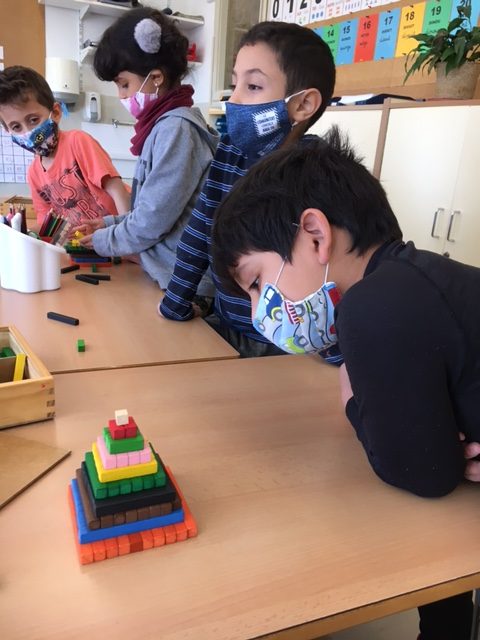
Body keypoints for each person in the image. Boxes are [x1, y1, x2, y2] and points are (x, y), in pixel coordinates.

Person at [211, 128, 479, 640]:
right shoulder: (412, 275)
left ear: (316, 235)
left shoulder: (372, 306)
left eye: (257, 282)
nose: (259, 311)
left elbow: (421, 472)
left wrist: (353, 401)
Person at [159, 21, 341, 362]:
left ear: (303, 105)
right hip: (227, 325)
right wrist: (176, 302)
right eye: (235, 84)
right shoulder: (230, 152)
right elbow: (201, 229)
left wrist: (336, 356)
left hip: (291, 349)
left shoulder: (319, 173)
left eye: (253, 86)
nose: (235, 99)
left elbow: (335, 269)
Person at [74, 7, 218, 291]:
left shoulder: (176, 130)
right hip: (168, 276)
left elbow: (152, 221)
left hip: (187, 288)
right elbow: (154, 210)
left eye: (124, 84)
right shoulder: (164, 127)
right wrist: (109, 224)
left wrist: (104, 241)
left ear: (156, 77)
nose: (121, 96)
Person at [0, 66, 131, 227]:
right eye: (16, 127)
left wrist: (127, 235)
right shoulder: (34, 174)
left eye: (33, 120)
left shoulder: (78, 142)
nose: (28, 132)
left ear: (55, 112)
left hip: (118, 232)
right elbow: (45, 222)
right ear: (8, 131)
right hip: (87, 241)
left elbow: (117, 191)